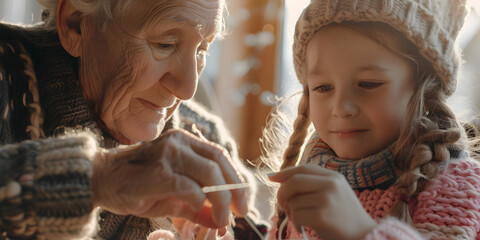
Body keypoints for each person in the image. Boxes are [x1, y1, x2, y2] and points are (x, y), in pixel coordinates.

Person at [0, 0, 256, 239]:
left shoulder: (202, 141)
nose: (188, 89)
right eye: (164, 44)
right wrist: (98, 178)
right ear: (76, 24)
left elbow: (254, 227)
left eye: (202, 49)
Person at [259, 0, 480, 239]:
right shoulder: (308, 172)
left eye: (368, 84)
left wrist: (361, 231)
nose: (341, 108)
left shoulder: (455, 185)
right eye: (323, 87)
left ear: (424, 90)